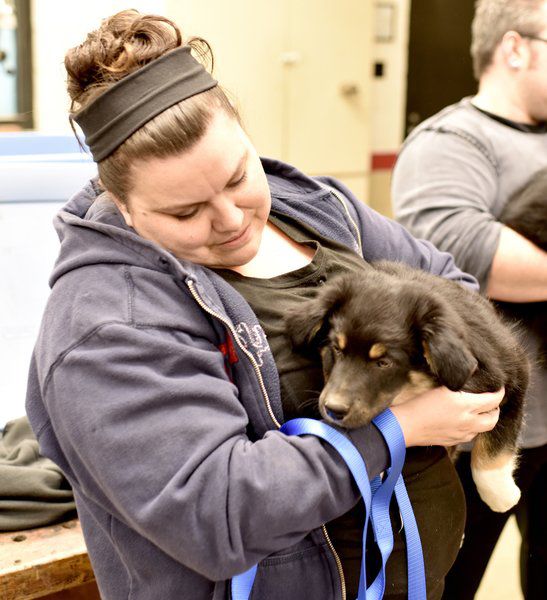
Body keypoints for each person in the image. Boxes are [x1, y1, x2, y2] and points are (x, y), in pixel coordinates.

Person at [25, 10, 504, 600]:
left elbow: (454, 292)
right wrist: (398, 427)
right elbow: (216, 513)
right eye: (184, 212)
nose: (230, 221)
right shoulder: (104, 323)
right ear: (122, 206)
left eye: (237, 177)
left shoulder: (317, 207)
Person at [391, 1, 547, 598]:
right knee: (446, 582)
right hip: (485, 426)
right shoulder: (452, 140)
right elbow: (461, 247)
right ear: (515, 48)